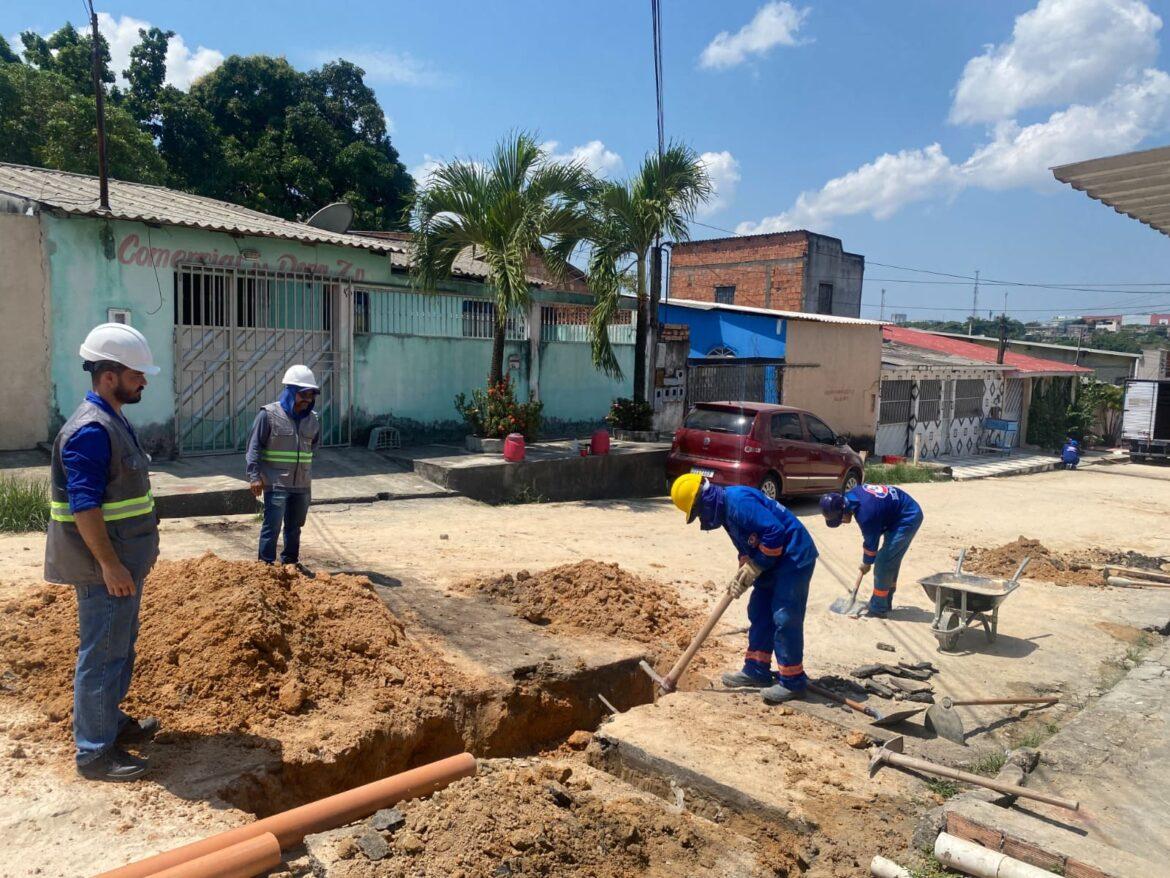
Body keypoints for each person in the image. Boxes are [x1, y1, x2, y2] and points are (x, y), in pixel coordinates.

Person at [45, 324, 161, 781]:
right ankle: (94, 753)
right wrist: (110, 564)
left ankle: (108, 723)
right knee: (102, 656)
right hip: (106, 570)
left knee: (119, 650)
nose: (144, 382)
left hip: (123, 565)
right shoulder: (91, 430)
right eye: (137, 374)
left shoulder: (112, 419)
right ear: (109, 375)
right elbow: (84, 506)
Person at [670, 474, 818, 704]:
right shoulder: (726, 513)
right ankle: (756, 669)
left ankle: (792, 682)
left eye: (698, 512)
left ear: (704, 500)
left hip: (793, 556)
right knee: (759, 610)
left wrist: (756, 566)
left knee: (784, 616)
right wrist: (743, 571)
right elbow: (745, 545)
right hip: (771, 559)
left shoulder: (738, 502)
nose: (701, 518)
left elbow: (774, 532)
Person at [246, 365, 321, 568]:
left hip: (302, 484)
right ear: (290, 392)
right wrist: (254, 476)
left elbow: (312, 447)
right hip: (276, 482)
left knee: (294, 527)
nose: (307, 399)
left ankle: (290, 563)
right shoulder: (268, 415)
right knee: (272, 525)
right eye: (302, 394)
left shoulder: (313, 420)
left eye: (311, 395)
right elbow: (254, 448)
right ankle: (266, 565)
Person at [820, 484, 924, 617]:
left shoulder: (866, 515)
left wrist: (866, 563)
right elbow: (873, 532)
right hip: (894, 514)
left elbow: (871, 544)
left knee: (884, 561)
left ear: (843, 510)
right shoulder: (852, 495)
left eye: (840, 520)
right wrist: (867, 561)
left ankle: (879, 607)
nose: (842, 523)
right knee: (890, 558)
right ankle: (886, 601)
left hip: (907, 517)